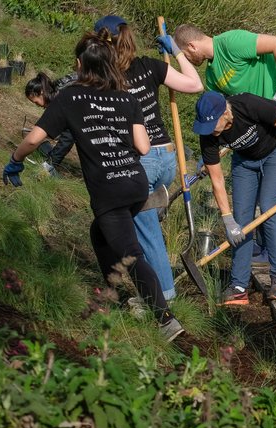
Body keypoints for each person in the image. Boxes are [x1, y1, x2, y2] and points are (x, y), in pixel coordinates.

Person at [5, 32, 184, 341]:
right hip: (136, 181)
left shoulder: (70, 97)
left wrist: (15, 160)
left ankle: (166, 319)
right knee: (99, 234)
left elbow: (35, 138)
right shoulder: (127, 97)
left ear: (79, 65)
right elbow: (143, 147)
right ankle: (107, 295)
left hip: (109, 190)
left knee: (131, 253)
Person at [94, 15, 203, 303]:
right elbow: (195, 84)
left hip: (142, 161)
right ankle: (151, 277)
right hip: (167, 156)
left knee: (145, 231)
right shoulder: (149, 66)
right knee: (143, 222)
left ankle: (163, 296)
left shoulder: (107, 78)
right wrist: (177, 51)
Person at [173, 24, 276, 227]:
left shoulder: (231, 42)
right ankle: (270, 240)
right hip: (264, 116)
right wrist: (209, 156)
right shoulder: (212, 76)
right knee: (268, 179)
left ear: (192, 46)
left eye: (185, 55)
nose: (187, 61)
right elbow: (225, 117)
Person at [194, 90, 276, 304]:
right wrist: (227, 220)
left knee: (269, 208)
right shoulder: (208, 135)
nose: (210, 132)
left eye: (212, 125)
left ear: (225, 113)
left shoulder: (248, 105)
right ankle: (238, 286)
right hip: (245, 162)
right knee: (241, 219)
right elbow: (217, 180)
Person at [24, 72, 76, 176]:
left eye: (36, 102)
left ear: (41, 92)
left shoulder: (62, 97)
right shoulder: (58, 89)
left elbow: (69, 135)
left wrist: (50, 163)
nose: (38, 106)